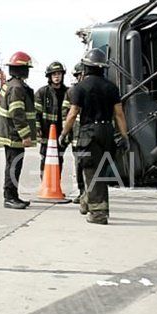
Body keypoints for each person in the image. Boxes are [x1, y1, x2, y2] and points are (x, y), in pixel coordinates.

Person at [60, 48, 129, 225]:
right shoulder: (111, 87)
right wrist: (125, 136)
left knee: (91, 171)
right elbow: (119, 114)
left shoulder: (80, 88)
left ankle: (98, 213)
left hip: (89, 133)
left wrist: (64, 133)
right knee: (101, 171)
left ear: (86, 67)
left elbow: (72, 114)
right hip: (107, 132)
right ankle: (87, 201)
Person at [0, 51, 36, 209]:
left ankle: (13, 196)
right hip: (14, 134)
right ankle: (10, 197)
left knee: (13, 165)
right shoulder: (16, 88)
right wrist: (25, 135)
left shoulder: (11, 84)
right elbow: (17, 113)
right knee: (14, 166)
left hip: (10, 132)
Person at [34, 61, 70, 173]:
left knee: (59, 159)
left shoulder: (68, 92)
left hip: (61, 134)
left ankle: (56, 181)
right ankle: (45, 181)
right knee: (45, 159)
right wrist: (37, 129)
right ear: (49, 76)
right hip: (46, 134)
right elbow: (36, 113)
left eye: (59, 74)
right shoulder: (42, 93)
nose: (57, 76)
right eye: (54, 74)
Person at [69, 63, 86, 204]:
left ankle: (90, 194)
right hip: (76, 135)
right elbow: (66, 113)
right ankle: (82, 192)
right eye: (79, 75)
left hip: (89, 135)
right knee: (79, 166)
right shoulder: (72, 91)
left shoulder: (92, 89)